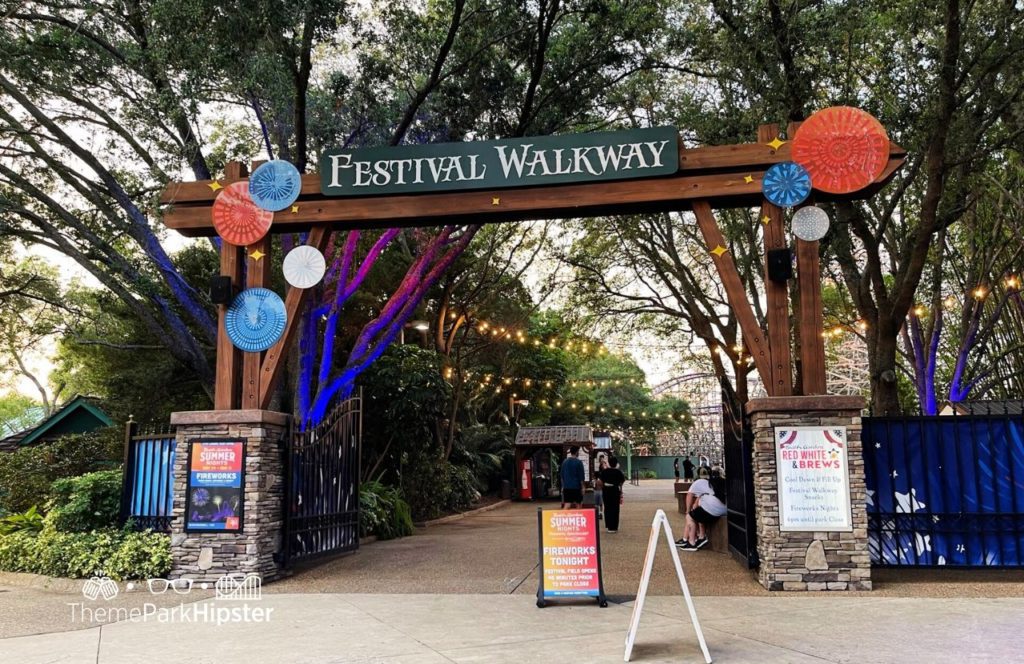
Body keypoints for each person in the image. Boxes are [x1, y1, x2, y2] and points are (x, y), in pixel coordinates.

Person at [676, 468, 727, 551]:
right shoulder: (719, 482)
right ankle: (701, 537)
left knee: (690, 517)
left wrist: (688, 511)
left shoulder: (699, 482)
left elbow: (689, 496)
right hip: (724, 509)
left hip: (712, 509)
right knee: (698, 513)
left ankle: (691, 543)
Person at [598, 456, 626, 533]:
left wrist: (603, 486)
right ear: (616, 463)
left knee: (607, 507)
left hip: (606, 490)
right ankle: (614, 527)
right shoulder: (618, 472)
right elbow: (622, 481)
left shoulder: (605, 471)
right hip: (615, 490)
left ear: (609, 463)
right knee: (615, 508)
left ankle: (608, 526)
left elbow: (599, 482)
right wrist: (619, 487)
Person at [594, 454, 609, 519]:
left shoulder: (605, 468)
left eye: (602, 459)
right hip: (599, 487)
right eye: (601, 459)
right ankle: (599, 513)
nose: (601, 460)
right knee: (599, 501)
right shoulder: (600, 467)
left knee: (600, 501)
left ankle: (600, 513)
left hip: (602, 487)